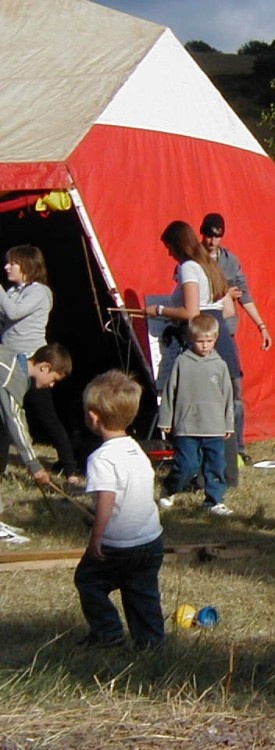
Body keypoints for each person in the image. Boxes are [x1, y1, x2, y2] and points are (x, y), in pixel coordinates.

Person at [145, 220, 240, 485]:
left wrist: (160, 311)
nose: (168, 254)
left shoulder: (188, 267)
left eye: (168, 248)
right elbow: (227, 310)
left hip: (201, 341)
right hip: (219, 337)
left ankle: (198, 476)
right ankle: (224, 476)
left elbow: (191, 312)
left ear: (178, 245)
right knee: (221, 411)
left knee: (198, 413)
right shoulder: (209, 264)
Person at [73, 370, 164, 649]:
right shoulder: (136, 449)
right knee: (142, 591)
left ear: (93, 416)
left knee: (88, 582)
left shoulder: (102, 458)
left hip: (119, 544)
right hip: (150, 539)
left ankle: (108, 632)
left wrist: (96, 537)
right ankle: (151, 642)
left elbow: (106, 501)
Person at [0, 245, 81, 485]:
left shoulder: (40, 292)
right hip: (9, 363)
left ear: (27, 266)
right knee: (5, 420)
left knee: (45, 417)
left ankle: (71, 469)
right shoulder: (13, 291)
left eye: (12, 263)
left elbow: (13, 312)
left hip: (32, 365)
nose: (7, 267)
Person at [200, 212, 271, 464]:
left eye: (217, 236)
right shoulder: (192, 260)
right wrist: (223, 293)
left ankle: (238, 449)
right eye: (209, 235)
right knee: (205, 394)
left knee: (235, 391)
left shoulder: (231, 260)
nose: (212, 240)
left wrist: (261, 326)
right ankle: (206, 451)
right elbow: (190, 297)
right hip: (202, 336)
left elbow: (245, 296)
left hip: (226, 333)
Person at [157, 314, 235, 516]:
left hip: (214, 427)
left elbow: (228, 396)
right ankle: (170, 488)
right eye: (200, 341)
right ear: (192, 339)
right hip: (187, 426)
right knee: (187, 465)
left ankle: (215, 501)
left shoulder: (220, 365)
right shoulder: (182, 362)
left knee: (216, 466)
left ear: (216, 339)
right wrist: (166, 419)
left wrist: (228, 424)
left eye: (209, 341)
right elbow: (170, 391)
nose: (205, 345)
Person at [0, 342, 71, 543]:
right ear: (45, 367)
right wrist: (33, 463)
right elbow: (13, 419)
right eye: (54, 379)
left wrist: (29, 453)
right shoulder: (12, 376)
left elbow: (18, 415)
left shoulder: (14, 364)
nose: (51, 385)